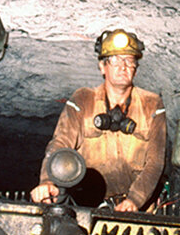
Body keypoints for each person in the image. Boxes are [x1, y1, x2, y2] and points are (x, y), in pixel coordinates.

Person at [31, 29, 166, 212]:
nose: (123, 67)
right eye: (115, 60)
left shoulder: (152, 104)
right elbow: (60, 144)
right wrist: (47, 181)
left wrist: (135, 200)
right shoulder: (83, 99)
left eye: (129, 60)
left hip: (136, 208)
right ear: (102, 67)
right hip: (90, 206)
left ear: (136, 68)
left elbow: (155, 162)